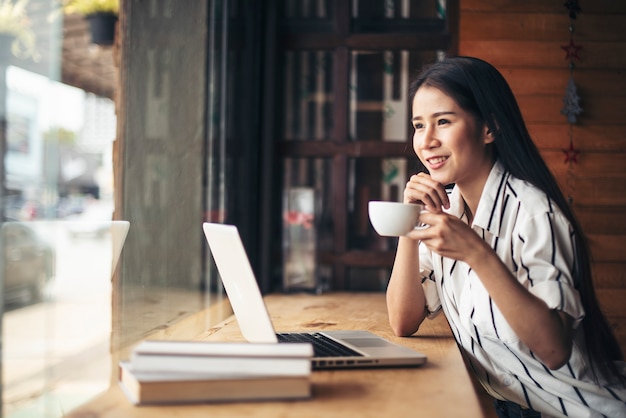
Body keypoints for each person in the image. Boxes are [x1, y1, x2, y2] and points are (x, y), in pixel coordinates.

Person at [386, 56, 626, 417]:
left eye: (444, 122)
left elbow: (554, 350)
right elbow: (403, 321)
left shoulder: (533, 212)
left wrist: (478, 253)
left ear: (489, 128)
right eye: (419, 126)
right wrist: (408, 223)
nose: (427, 140)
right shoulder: (446, 212)